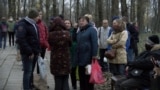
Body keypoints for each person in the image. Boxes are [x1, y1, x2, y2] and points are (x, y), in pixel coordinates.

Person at [16, 9, 41, 90]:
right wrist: (29, 52)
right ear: (33, 16)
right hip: (28, 54)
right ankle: (26, 88)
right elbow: (21, 39)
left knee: (30, 72)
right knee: (27, 72)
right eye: (38, 16)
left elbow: (36, 39)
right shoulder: (23, 24)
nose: (39, 18)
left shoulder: (35, 25)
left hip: (35, 53)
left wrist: (38, 51)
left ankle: (30, 86)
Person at [48, 17, 71, 90]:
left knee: (57, 79)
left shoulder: (50, 35)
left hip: (55, 59)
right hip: (65, 59)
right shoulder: (67, 33)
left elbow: (50, 44)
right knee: (65, 78)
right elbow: (70, 44)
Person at [76, 16, 98, 90]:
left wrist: (94, 55)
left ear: (87, 22)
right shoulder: (79, 31)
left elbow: (95, 43)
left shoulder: (92, 30)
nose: (81, 22)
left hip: (88, 58)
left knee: (88, 77)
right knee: (81, 76)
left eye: (83, 21)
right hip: (80, 58)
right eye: (80, 21)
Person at [64, 19, 77, 90]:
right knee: (65, 72)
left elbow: (75, 42)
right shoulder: (62, 31)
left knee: (73, 71)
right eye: (65, 23)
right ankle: (66, 86)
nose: (67, 24)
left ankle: (74, 85)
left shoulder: (74, 31)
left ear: (70, 24)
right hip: (64, 55)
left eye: (68, 23)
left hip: (73, 54)